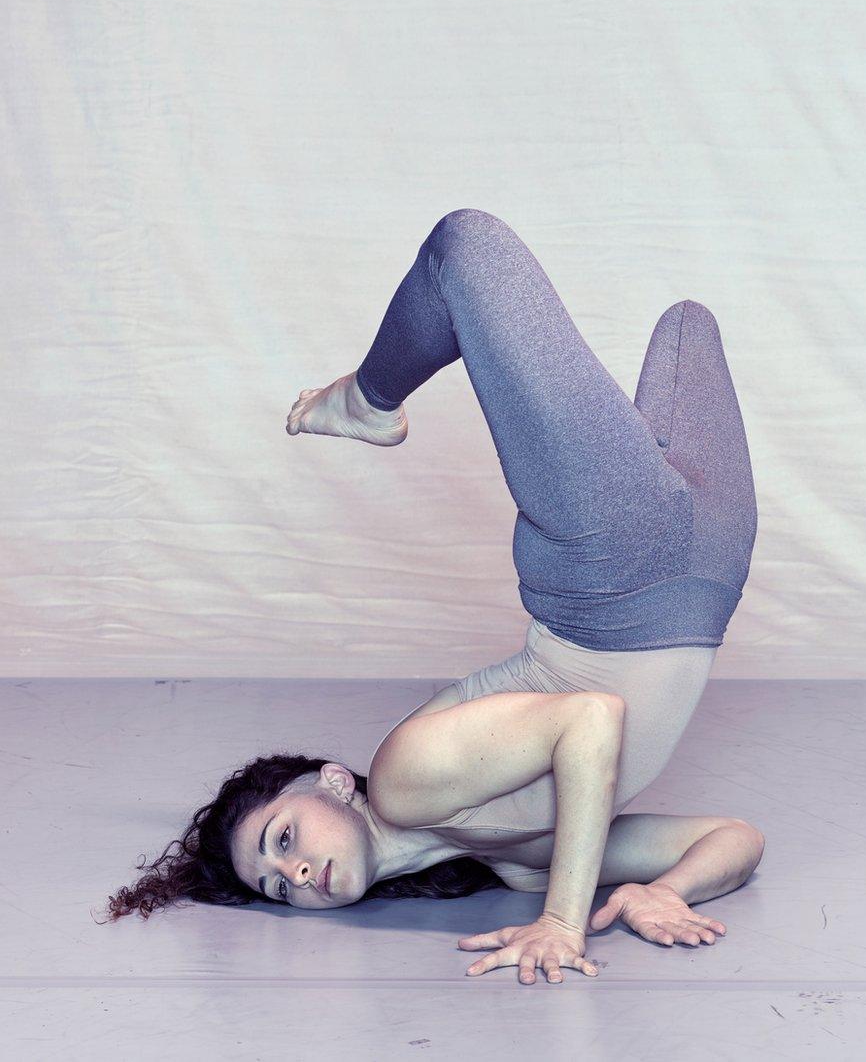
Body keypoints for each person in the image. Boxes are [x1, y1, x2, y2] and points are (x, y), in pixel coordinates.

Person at [103, 209, 760, 960]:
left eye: (282, 839)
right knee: (688, 322)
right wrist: (666, 890)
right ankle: (376, 400)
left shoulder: (402, 778)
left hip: (611, 570)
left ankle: (369, 400)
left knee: (467, 248)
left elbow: (592, 718)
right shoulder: (514, 863)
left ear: (332, 785)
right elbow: (736, 837)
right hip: (711, 563)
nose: (298, 871)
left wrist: (564, 919)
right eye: (278, 884)